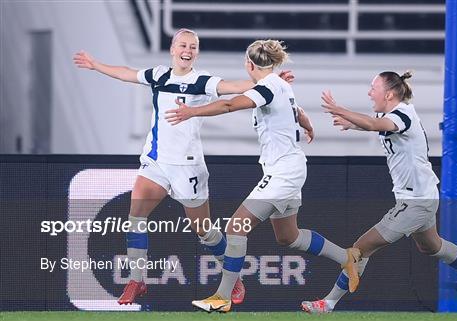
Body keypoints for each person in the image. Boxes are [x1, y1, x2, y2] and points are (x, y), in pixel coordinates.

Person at [73, 28, 294, 306]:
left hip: (188, 168)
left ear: (196, 53)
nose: (187, 50)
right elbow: (127, 73)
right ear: (173, 49)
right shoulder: (158, 76)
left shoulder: (201, 81)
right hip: (155, 162)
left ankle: (233, 276)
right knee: (135, 216)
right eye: (183, 45)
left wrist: (271, 82)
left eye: (193, 47)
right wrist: (95, 65)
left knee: (203, 230)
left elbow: (236, 88)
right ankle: (136, 280)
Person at [165, 39, 361, 313]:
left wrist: (191, 112)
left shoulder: (269, 86)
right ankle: (347, 257)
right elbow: (297, 112)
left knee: (236, 227)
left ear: (249, 64)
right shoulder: (279, 85)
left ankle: (222, 297)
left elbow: (230, 105)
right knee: (288, 237)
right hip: (289, 168)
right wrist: (307, 124)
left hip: (283, 171)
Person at [300, 71, 457, 314]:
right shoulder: (397, 115)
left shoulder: (402, 113)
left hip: (416, 201)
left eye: (373, 88)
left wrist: (339, 109)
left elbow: (375, 124)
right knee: (432, 246)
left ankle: (327, 303)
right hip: (423, 196)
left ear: (389, 93)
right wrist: (353, 124)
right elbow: (377, 125)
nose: (369, 92)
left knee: (359, 249)